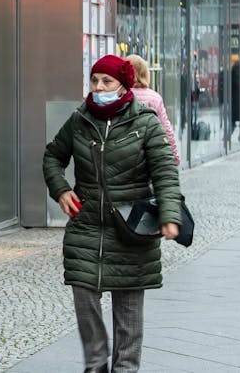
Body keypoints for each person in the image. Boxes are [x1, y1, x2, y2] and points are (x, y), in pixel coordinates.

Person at [43, 55, 182, 373]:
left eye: (106, 81)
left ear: (123, 85)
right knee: (84, 294)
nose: (99, 87)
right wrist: (61, 189)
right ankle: (95, 363)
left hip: (131, 226)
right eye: (94, 80)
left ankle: (126, 368)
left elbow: (164, 172)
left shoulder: (145, 123)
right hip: (87, 224)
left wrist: (169, 215)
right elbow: (53, 155)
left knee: (128, 309)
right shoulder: (80, 119)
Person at [125, 55, 181, 165]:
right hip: (149, 154)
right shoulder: (155, 98)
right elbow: (166, 129)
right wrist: (174, 156)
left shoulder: (120, 96)